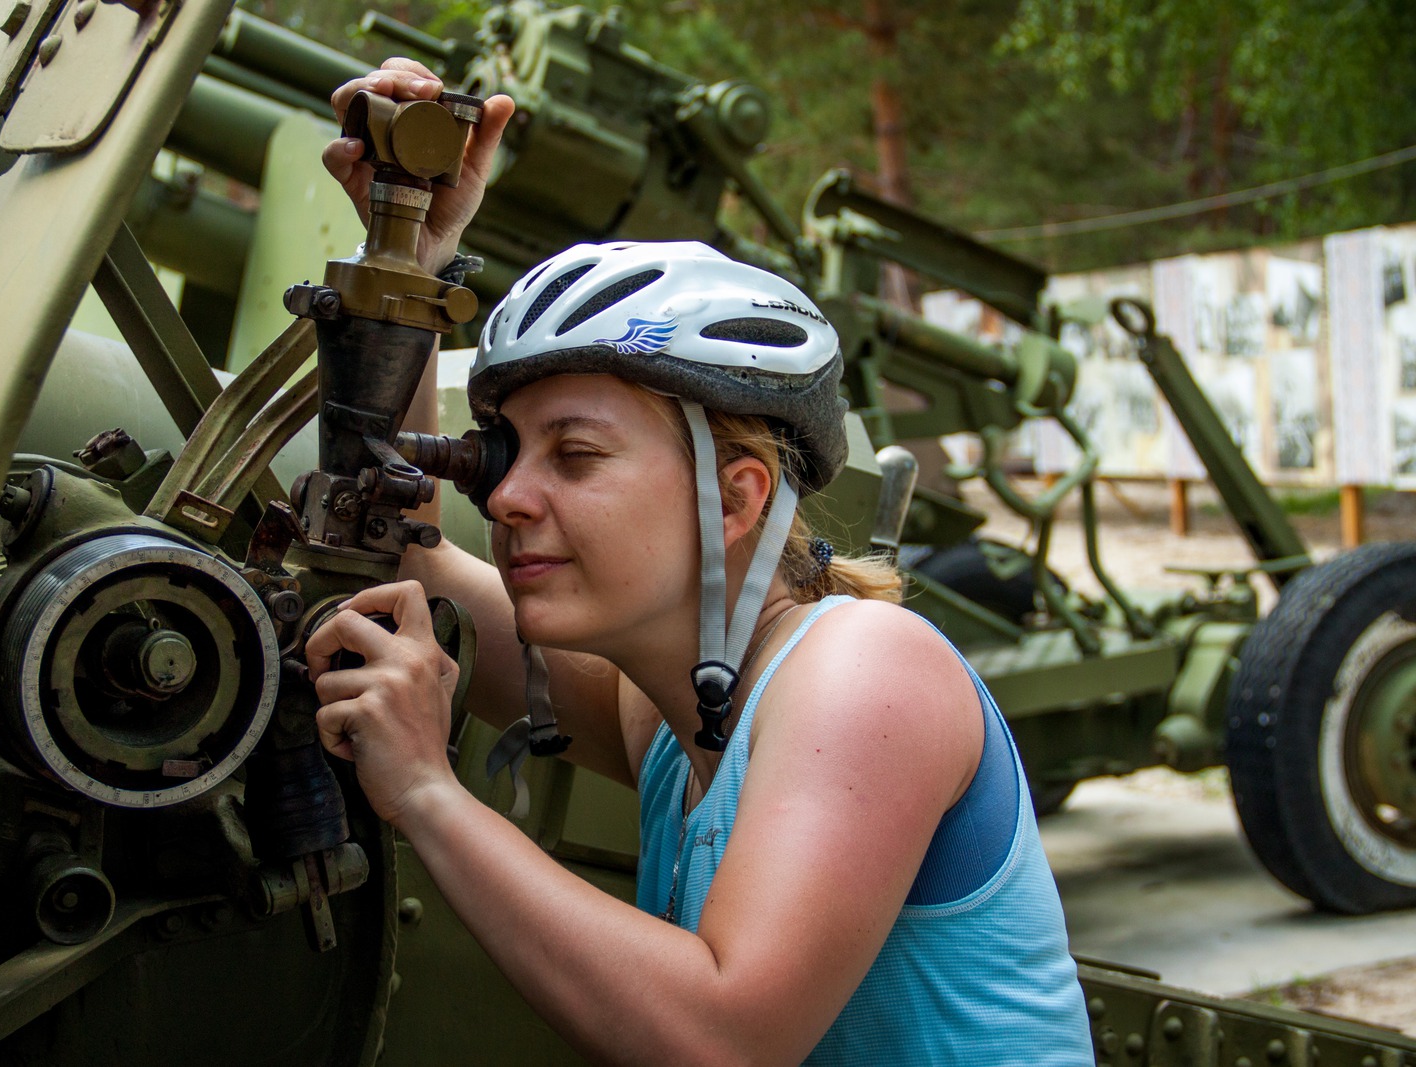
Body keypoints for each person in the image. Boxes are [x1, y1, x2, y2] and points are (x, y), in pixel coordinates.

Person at [312, 59, 1093, 1065]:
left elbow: (724, 1038)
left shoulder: (866, 670)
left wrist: (426, 790)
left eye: (575, 455)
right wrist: (411, 252)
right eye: (506, 452)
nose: (504, 496)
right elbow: (408, 562)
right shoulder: (672, 715)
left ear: (735, 497)